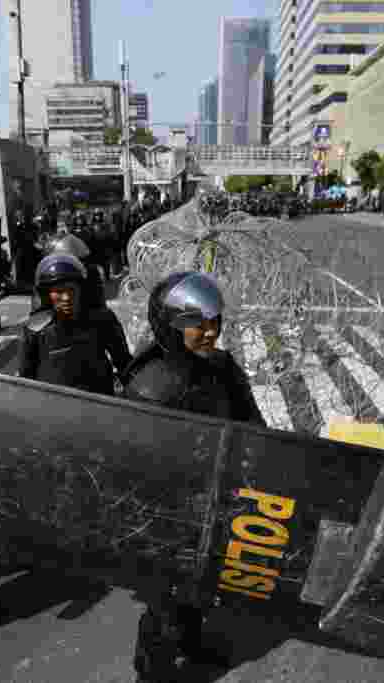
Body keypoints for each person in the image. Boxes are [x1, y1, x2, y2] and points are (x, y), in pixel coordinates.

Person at [122, 270, 265, 682]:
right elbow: (130, 463)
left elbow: (252, 424)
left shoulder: (221, 366)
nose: (208, 332)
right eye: (194, 324)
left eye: (214, 321)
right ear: (169, 327)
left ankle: (193, 643)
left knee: (201, 592)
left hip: (215, 500)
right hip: (164, 516)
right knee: (164, 609)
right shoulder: (150, 388)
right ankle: (151, 676)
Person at [16, 253, 131, 397]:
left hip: (101, 404)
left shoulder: (102, 319)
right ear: (47, 296)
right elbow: (25, 381)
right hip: (52, 408)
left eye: (70, 290)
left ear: (81, 290)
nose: (65, 298)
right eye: (58, 292)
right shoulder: (34, 330)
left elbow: (125, 364)